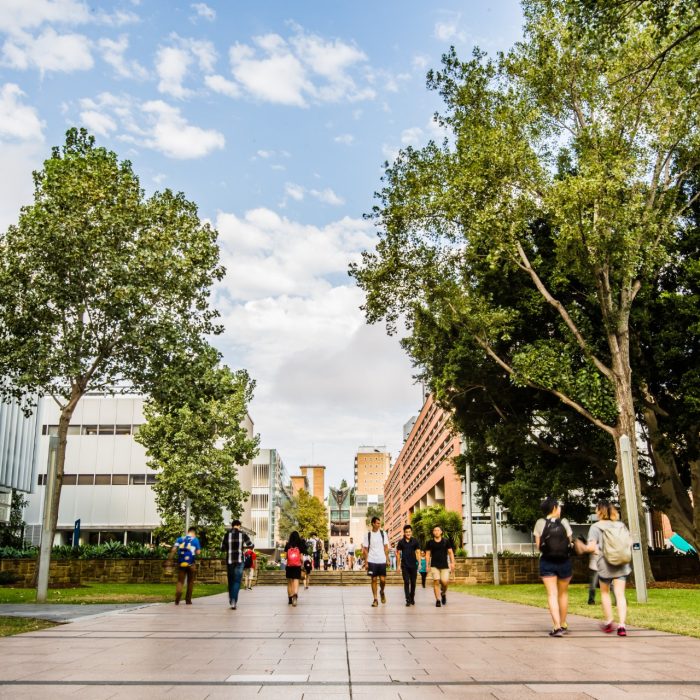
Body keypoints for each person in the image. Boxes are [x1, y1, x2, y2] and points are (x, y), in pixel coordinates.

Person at [580, 501, 632, 636]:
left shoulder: (596, 527)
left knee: (605, 592)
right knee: (620, 594)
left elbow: (591, 547)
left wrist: (583, 547)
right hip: (622, 563)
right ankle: (622, 626)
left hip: (605, 564)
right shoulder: (621, 525)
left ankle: (609, 622)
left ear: (599, 511)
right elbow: (629, 542)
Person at [534, 497, 573, 636]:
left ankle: (556, 626)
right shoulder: (564, 522)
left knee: (552, 594)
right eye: (559, 506)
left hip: (547, 561)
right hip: (564, 561)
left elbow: (538, 546)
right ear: (555, 508)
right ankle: (563, 623)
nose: (561, 509)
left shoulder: (540, 522)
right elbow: (570, 542)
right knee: (563, 593)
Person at [221, 519, 253, 610]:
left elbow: (222, 548)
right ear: (239, 525)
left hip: (230, 561)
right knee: (237, 581)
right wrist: (243, 547)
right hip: (239, 560)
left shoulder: (227, 535)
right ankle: (234, 600)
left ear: (232, 526)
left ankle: (231, 599)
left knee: (231, 580)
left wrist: (228, 546)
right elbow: (251, 545)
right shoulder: (243, 534)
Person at [168, 526, 201, 605]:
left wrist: (169, 560)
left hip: (181, 563)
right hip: (191, 564)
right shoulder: (195, 540)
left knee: (180, 581)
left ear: (188, 532)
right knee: (190, 582)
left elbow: (173, 550)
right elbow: (198, 552)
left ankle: (177, 599)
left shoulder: (179, 539)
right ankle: (188, 600)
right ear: (194, 533)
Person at [424, 525, 455, 608]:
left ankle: (443, 593)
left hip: (444, 565)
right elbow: (427, 554)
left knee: (445, 582)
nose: (436, 532)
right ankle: (438, 600)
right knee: (436, 581)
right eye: (435, 530)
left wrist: (452, 563)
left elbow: (450, 552)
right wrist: (427, 565)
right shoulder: (430, 542)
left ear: (441, 532)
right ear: (433, 532)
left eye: (438, 530)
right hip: (434, 565)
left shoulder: (446, 541)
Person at [362, 516, 390, 607]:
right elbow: (365, 549)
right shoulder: (368, 535)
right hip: (372, 560)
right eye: (377, 523)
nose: (379, 524)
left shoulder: (383, 533)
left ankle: (382, 591)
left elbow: (386, 547)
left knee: (382, 580)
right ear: (373, 524)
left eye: (380, 523)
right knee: (373, 579)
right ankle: (375, 599)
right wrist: (366, 562)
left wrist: (387, 559)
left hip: (381, 560)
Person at [396, 525, 421, 606]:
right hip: (405, 565)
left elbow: (418, 552)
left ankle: (412, 597)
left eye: (409, 532)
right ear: (404, 532)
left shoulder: (415, 541)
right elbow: (398, 554)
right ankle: (407, 599)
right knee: (406, 582)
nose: (408, 533)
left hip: (413, 565)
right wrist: (398, 566)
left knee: (413, 582)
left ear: (411, 532)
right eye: (406, 532)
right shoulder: (401, 542)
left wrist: (419, 563)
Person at [284, 530, 307, 606]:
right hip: (297, 566)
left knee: (290, 582)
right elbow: (301, 558)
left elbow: (285, 556)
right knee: (296, 580)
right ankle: (295, 595)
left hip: (289, 566)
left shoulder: (288, 545)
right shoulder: (299, 545)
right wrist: (302, 563)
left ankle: (290, 598)